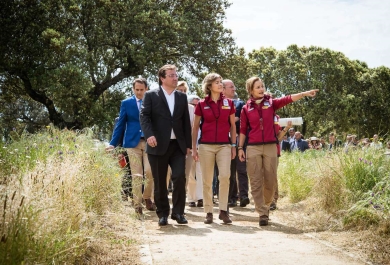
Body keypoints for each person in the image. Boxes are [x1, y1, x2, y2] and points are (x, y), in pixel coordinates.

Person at [238, 76, 318, 226]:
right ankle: (262, 212)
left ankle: (266, 205)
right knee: (255, 181)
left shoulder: (271, 103)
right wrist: (240, 148)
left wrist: (304, 93)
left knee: (270, 180)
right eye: (258, 87)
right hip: (253, 147)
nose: (262, 89)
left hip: (270, 147)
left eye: (262, 86)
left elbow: (287, 99)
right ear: (251, 90)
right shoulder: (245, 108)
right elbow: (242, 130)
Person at [140, 64, 192, 226]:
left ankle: (178, 213)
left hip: (178, 146)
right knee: (160, 181)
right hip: (157, 145)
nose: (175, 77)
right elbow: (144, 116)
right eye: (171, 75)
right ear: (162, 78)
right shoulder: (150, 95)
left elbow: (185, 123)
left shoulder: (182, 97)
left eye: (176, 75)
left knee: (179, 178)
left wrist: (188, 145)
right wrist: (149, 135)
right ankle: (163, 214)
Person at [106, 78, 155, 215]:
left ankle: (147, 197)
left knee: (150, 172)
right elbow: (120, 125)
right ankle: (137, 205)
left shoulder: (153, 102)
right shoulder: (126, 103)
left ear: (146, 89)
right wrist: (112, 143)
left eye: (141, 90)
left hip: (149, 142)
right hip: (131, 143)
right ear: (133, 89)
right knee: (136, 175)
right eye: (136, 89)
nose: (139, 92)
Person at [192, 73, 237, 224]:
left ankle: (223, 211)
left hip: (224, 145)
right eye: (217, 82)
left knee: (225, 176)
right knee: (207, 180)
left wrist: (233, 145)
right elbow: (195, 127)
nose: (220, 85)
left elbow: (232, 125)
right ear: (209, 86)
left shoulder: (229, 103)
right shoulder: (201, 104)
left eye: (221, 82)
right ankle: (208, 212)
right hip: (205, 146)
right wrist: (194, 147)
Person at [222, 79, 250, 208]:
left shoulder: (240, 104)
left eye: (234, 87)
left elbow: (242, 123)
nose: (234, 89)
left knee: (241, 169)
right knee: (229, 171)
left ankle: (243, 195)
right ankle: (231, 198)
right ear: (223, 89)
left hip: (239, 141)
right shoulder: (218, 103)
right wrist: (232, 120)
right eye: (231, 87)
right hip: (223, 141)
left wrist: (232, 121)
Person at [176, 82, 203, 208]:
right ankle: (190, 197)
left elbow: (194, 128)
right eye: (179, 90)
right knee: (187, 174)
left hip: (193, 145)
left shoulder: (192, 109)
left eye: (183, 90)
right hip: (176, 147)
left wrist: (194, 145)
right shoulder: (170, 106)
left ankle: (200, 197)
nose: (181, 92)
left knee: (197, 172)